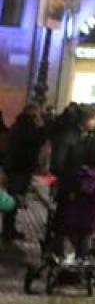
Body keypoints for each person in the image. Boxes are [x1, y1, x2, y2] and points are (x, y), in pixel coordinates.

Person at [55, 140, 95, 260]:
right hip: (89, 221)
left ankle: (58, 254)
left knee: (61, 228)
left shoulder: (75, 174)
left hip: (69, 218)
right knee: (85, 236)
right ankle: (81, 260)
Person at [1, 102, 45, 243]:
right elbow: (38, 141)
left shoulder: (19, 125)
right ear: (32, 115)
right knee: (13, 201)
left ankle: (9, 229)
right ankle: (8, 231)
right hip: (19, 170)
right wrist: (41, 127)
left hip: (18, 169)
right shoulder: (27, 128)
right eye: (38, 114)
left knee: (13, 201)